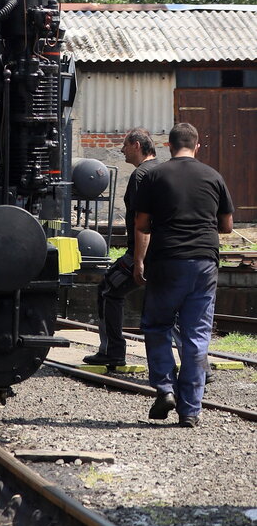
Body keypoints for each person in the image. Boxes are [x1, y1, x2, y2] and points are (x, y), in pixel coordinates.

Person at [133, 122, 234, 428]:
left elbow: (141, 224)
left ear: (169, 146)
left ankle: (165, 388)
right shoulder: (213, 176)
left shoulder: (154, 176)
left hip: (167, 261)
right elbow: (227, 226)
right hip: (204, 263)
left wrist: (143, 255)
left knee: (157, 326)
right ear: (197, 146)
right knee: (197, 335)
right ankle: (190, 410)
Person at [82, 128, 158, 370]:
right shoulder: (162, 171)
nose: (121, 150)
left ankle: (112, 352)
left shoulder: (140, 176)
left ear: (136, 145)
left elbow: (141, 221)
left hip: (141, 253)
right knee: (172, 307)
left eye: (125, 145)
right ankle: (198, 365)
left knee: (108, 289)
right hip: (166, 253)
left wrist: (139, 259)